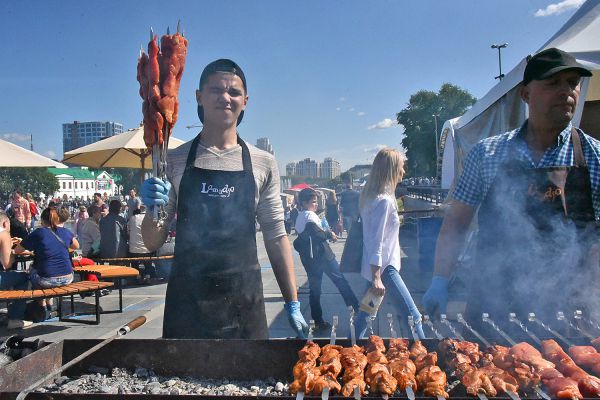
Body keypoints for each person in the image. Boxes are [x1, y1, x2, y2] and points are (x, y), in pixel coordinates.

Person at [422, 48, 599, 331]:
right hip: (494, 304)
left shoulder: (594, 156)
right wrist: (440, 280)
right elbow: (456, 223)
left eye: (572, 83)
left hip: (570, 311)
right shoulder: (487, 153)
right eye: (553, 83)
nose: (567, 91)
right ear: (526, 94)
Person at [140, 59, 308, 339]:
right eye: (216, 90)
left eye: (234, 92)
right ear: (199, 97)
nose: (225, 98)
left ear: (245, 101)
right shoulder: (173, 160)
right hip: (187, 302)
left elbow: (277, 236)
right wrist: (150, 210)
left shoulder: (263, 162)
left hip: (245, 301)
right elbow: (151, 241)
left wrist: (292, 301)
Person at [353, 148, 425, 339]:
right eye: (401, 167)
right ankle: (428, 356)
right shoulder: (384, 201)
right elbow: (376, 240)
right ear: (392, 169)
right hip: (385, 269)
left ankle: (351, 349)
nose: (404, 171)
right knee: (413, 316)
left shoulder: (372, 198)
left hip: (378, 268)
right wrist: (377, 276)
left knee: (365, 314)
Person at [293, 188, 359, 331]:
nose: (316, 205)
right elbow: (317, 234)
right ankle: (358, 310)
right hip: (324, 257)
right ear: (304, 203)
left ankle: (318, 321)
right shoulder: (310, 216)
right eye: (313, 202)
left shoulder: (299, 216)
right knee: (341, 282)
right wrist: (330, 234)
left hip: (310, 260)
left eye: (316, 202)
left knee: (315, 291)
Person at [16, 207, 79, 312]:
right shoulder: (65, 231)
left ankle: (42, 306)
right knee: (46, 272)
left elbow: (18, 250)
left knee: (32, 271)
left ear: (42, 220)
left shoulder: (39, 232)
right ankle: (49, 302)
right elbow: (76, 246)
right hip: (68, 277)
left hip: (46, 280)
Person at [0, 212, 32, 329]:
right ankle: (15, 318)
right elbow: (7, 264)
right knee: (23, 278)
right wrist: (10, 250)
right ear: (5, 223)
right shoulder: (3, 233)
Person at [128, 206, 156, 280]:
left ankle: (137, 275)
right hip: (146, 250)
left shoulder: (132, 218)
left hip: (133, 250)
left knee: (133, 255)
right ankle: (147, 275)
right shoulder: (150, 218)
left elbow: (128, 232)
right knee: (149, 252)